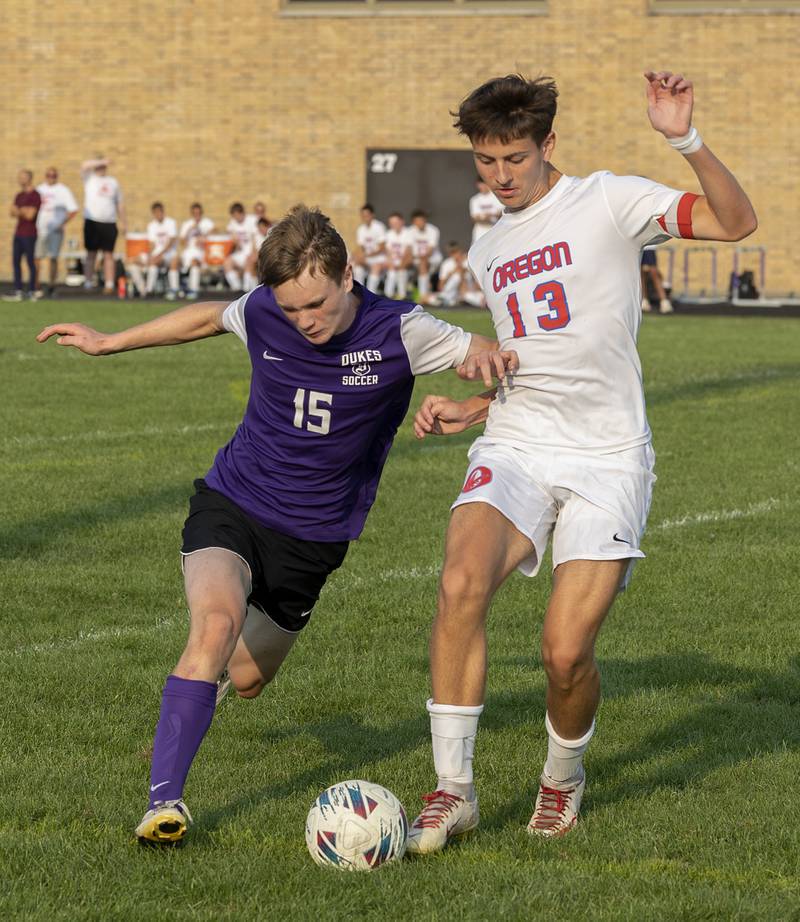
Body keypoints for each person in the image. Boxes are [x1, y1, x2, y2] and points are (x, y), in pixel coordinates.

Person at [36, 204, 517, 846]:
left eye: (315, 304)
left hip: (313, 541)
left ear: (348, 277)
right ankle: (163, 804)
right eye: (291, 310)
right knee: (213, 625)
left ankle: (202, 682)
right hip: (232, 503)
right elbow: (209, 316)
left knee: (248, 678)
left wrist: (475, 405)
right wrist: (108, 340)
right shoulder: (264, 308)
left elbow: (497, 359)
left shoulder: (402, 330)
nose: (304, 321)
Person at [405, 70, 757, 852]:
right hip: (518, 441)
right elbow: (532, 359)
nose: (499, 178)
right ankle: (451, 791)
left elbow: (736, 222)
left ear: (548, 145)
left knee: (565, 654)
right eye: (486, 163)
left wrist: (683, 139)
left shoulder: (608, 200)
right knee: (461, 582)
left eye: (514, 161)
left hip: (608, 457)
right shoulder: (490, 245)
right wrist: (475, 407)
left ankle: (562, 778)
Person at [80, 156, 126, 294]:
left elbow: (120, 204)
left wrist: (124, 222)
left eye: (103, 166)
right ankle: (88, 282)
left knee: (108, 254)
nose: (101, 168)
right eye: (99, 166)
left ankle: (109, 284)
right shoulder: (90, 178)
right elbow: (84, 164)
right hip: (92, 221)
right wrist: (102, 161)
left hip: (109, 222)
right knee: (91, 254)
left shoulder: (113, 182)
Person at [34, 167, 78, 297]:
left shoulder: (63, 190)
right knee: (37, 257)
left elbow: (73, 209)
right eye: (48, 175)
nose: (51, 178)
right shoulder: (39, 189)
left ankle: (51, 285)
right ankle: (36, 285)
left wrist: (62, 223)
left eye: (53, 175)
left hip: (55, 230)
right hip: (41, 229)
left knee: (53, 257)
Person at [128, 202, 179, 299]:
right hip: (156, 254)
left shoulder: (170, 223)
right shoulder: (151, 225)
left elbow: (171, 242)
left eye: (159, 212)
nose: (157, 215)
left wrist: (158, 255)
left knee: (155, 263)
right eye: (155, 213)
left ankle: (151, 290)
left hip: (168, 254)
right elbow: (152, 245)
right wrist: (149, 257)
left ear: (163, 212)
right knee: (131, 262)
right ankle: (143, 289)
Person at [4, 169, 41, 302]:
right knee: (16, 262)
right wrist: (23, 211)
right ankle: (18, 291)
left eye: (23, 177)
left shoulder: (35, 195)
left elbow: (30, 215)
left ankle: (32, 291)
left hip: (30, 234)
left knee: (30, 262)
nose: (20, 180)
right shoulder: (19, 195)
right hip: (18, 233)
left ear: (29, 178)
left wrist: (20, 210)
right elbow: (11, 212)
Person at [176, 202, 215, 300]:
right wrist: (189, 230)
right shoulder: (187, 224)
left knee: (194, 262)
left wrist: (204, 237)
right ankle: (175, 289)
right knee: (175, 262)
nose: (197, 216)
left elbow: (215, 231)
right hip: (188, 252)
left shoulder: (207, 223)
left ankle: (193, 290)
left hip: (201, 252)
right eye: (195, 213)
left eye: (198, 213)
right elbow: (182, 242)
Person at [408, 209, 442, 302]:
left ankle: (422, 296)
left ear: (425, 220)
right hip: (417, 259)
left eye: (421, 220)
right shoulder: (410, 231)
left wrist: (419, 258)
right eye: (417, 221)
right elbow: (410, 251)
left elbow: (430, 251)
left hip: (433, 259)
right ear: (413, 222)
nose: (420, 223)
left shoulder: (433, 230)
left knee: (423, 265)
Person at [352, 204, 387, 292]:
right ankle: (360, 294)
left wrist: (366, 255)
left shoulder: (379, 227)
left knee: (375, 268)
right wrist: (356, 256)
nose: (365, 218)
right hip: (367, 258)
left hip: (379, 259)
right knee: (357, 267)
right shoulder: (361, 229)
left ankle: (371, 295)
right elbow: (360, 247)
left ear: (372, 215)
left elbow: (382, 247)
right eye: (363, 216)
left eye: (367, 215)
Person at [224, 202, 256, 292]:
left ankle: (247, 290)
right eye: (234, 216)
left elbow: (255, 238)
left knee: (248, 262)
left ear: (242, 213)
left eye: (237, 215)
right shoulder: (233, 223)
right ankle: (236, 288)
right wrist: (234, 239)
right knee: (227, 262)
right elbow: (231, 235)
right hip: (240, 252)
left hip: (251, 252)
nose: (236, 218)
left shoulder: (252, 220)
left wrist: (253, 253)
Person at [383, 212, 413, 300]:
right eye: (391, 223)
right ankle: (388, 295)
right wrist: (391, 263)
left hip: (405, 261)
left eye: (396, 223)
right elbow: (387, 252)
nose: (394, 225)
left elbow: (408, 252)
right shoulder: (388, 234)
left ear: (402, 222)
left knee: (401, 271)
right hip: (392, 261)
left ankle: (402, 295)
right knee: (391, 273)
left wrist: (401, 265)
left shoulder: (408, 233)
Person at [640, 246, 673, 313]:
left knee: (654, 272)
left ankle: (664, 302)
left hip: (649, 247)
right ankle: (644, 300)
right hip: (639, 246)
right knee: (641, 273)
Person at [469, 178, 503, 243]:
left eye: (484, 184)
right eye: (480, 184)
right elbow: (474, 218)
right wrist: (489, 217)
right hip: (480, 233)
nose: (483, 187)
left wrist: (488, 216)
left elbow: (502, 213)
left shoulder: (497, 197)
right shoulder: (475, 199)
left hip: (496, 231)